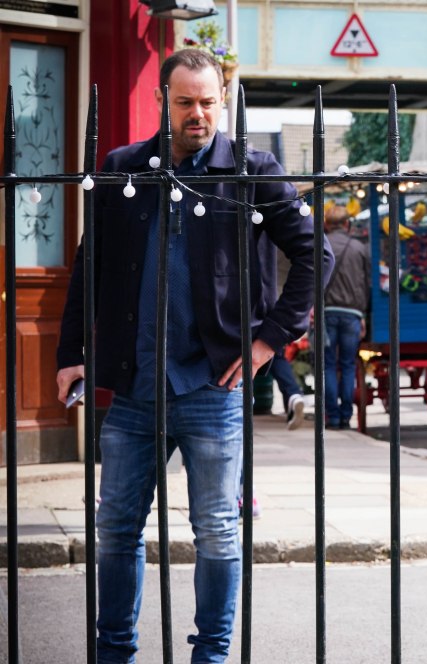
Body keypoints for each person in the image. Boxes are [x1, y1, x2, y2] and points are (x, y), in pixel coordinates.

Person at [55, 49, 334, 663]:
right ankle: (114, 652)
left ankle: (209, 656)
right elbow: (89, 263)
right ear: (164, 100)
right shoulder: (124, 168)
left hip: (213, 387)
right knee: (116, 531)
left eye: (208, 101)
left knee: (215, 531)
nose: (198, 114)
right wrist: (72, 352)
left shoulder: (252, 170)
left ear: (222, 100)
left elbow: (318, 257)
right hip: (132, 389)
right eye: (185, 102)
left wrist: (267, 341)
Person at [323, 204, 370, 430]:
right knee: (348, 365)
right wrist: (362, 313)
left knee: (329, 364)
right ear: (346, 224)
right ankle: (346, 416)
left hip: (327, 313)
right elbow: (366, 283)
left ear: (326, 225)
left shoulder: (320, 245)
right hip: (352, 313)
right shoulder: (359, 247)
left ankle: (332, 417)